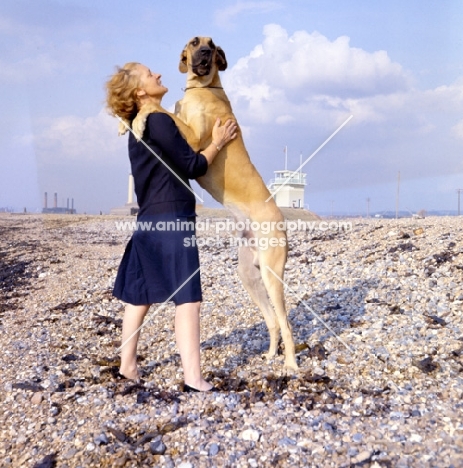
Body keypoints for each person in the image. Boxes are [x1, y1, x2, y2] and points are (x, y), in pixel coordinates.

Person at [105, 62, 237, 392]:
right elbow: (192, 165)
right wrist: (218, 141)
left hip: (148, 219)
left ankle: (128, 366)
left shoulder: (135, 127)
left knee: (139, 296)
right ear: (140, 91)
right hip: (173, 220)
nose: (159, 75)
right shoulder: (159, 120)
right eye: (151, 75)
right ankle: (193, 378)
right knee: (187, 299)